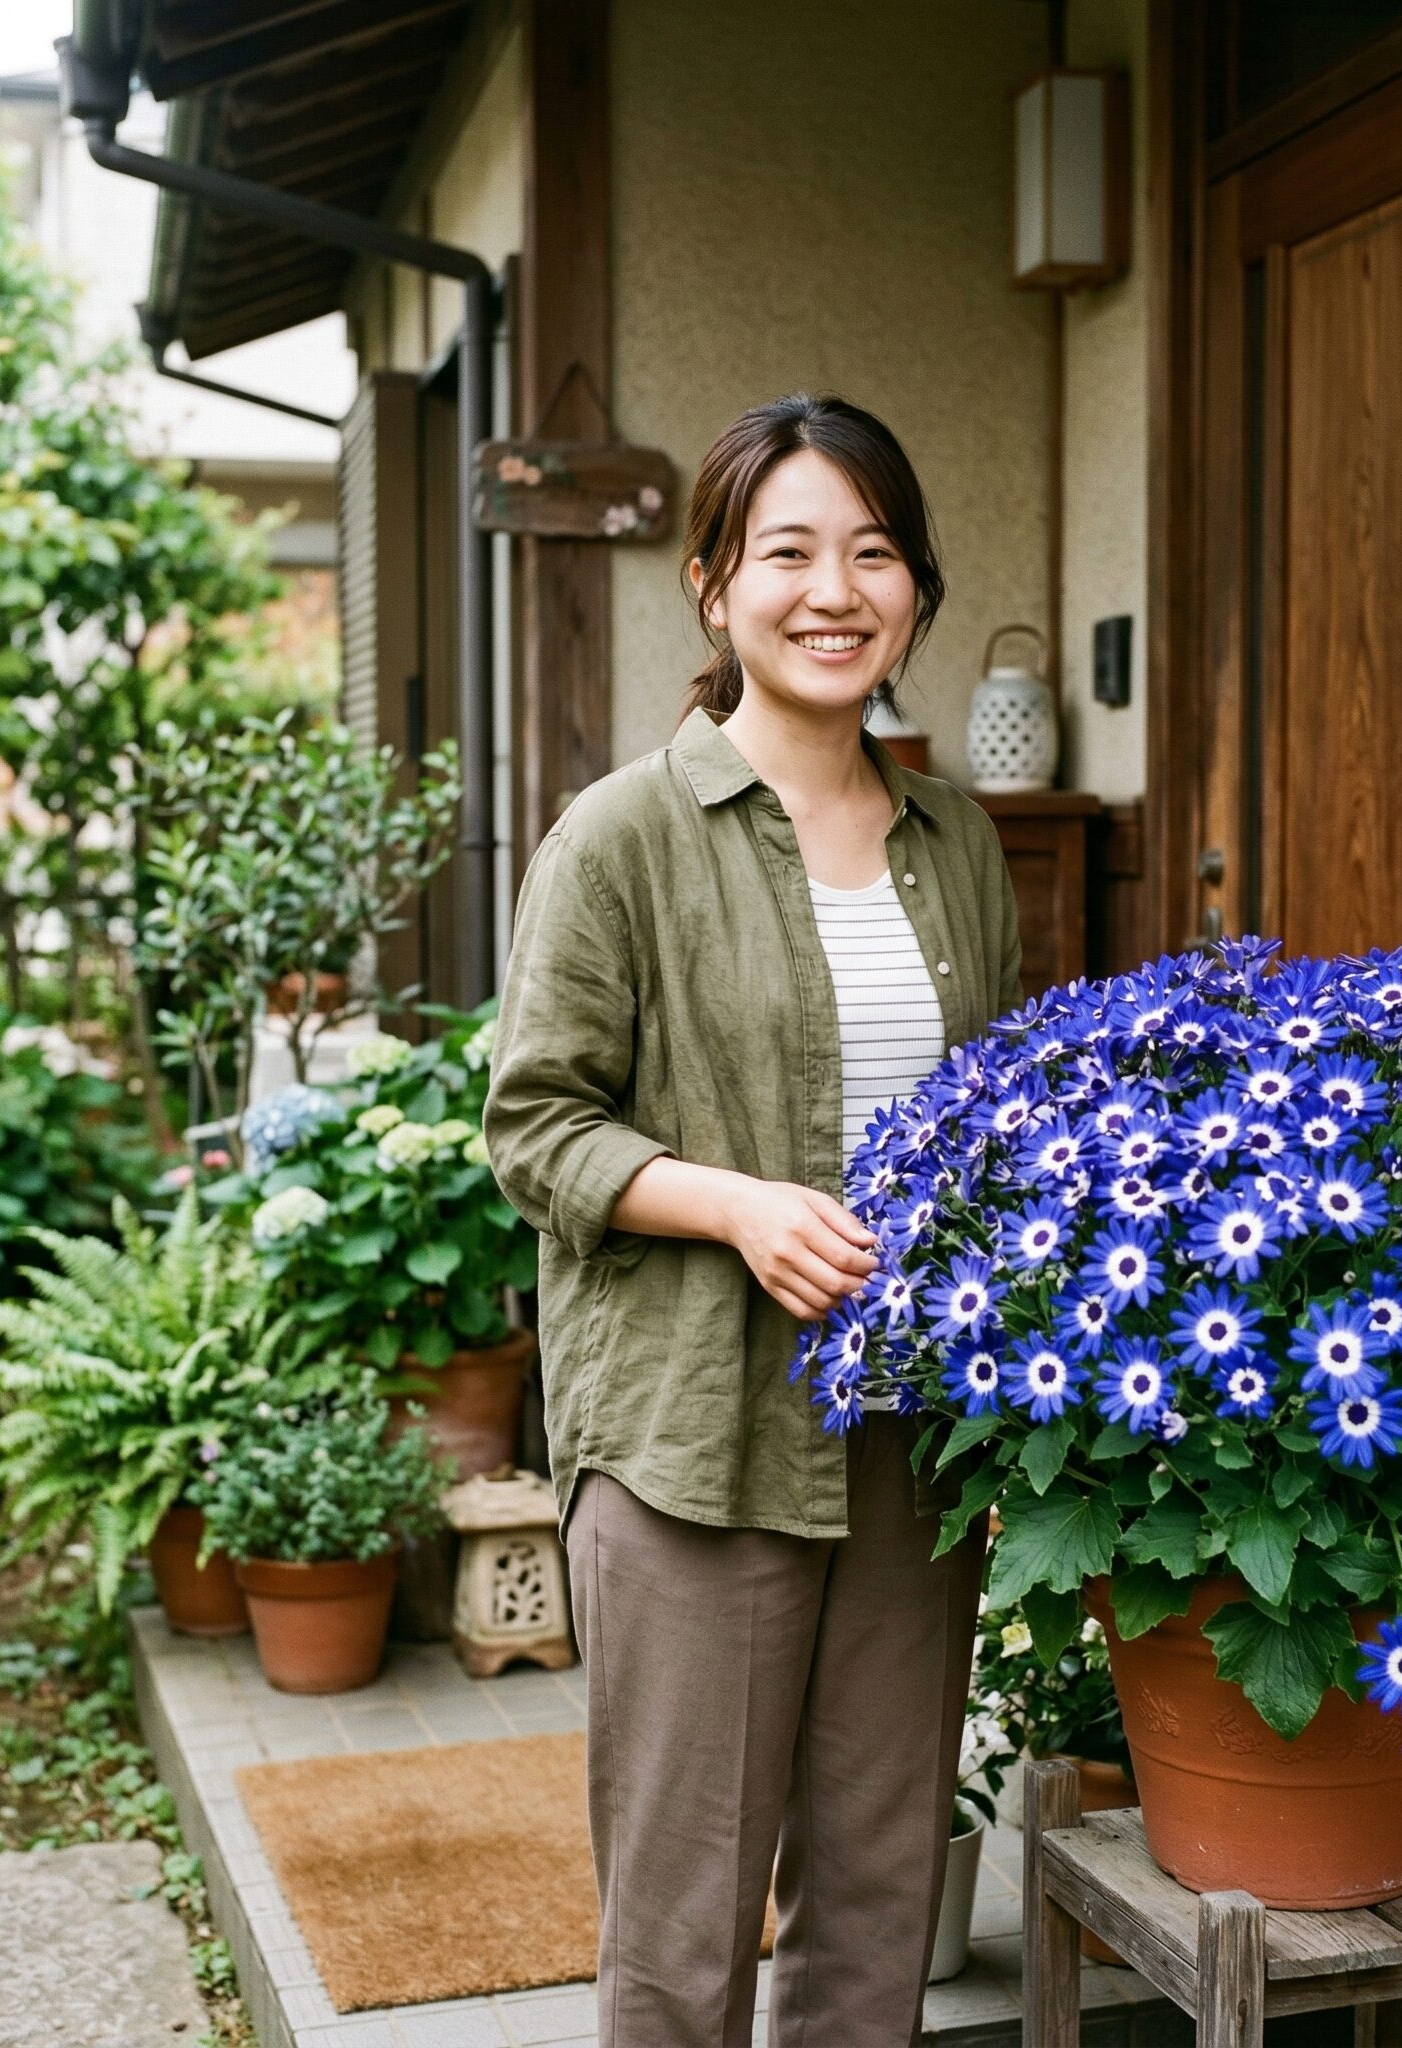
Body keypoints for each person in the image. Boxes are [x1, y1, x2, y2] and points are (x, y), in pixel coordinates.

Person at [483, 391, 1024, 2047]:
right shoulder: (622, 836)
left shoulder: (958, 840)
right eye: (788, 549)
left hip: (907, 1439)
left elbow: (1001, 1122)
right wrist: (735, 1210)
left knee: (881, 1910)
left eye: (873, 551)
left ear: (916, 588)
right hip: (693, 1438)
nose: (834, 589)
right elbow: (533, 1127)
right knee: (681, 1926)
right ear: (715, 586)